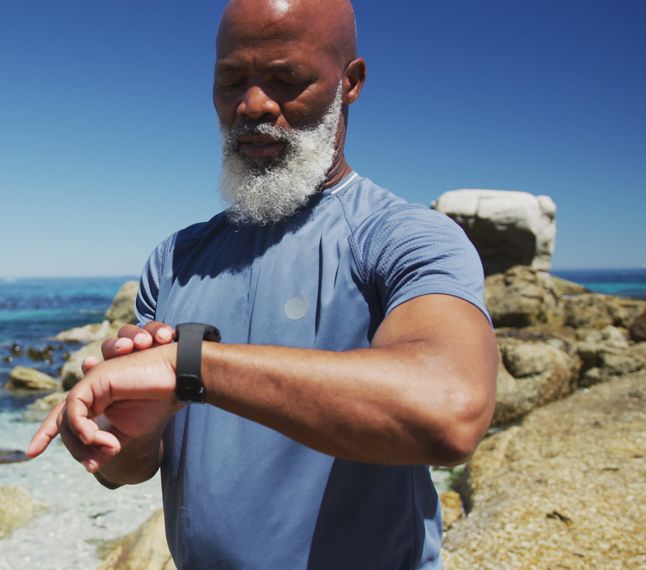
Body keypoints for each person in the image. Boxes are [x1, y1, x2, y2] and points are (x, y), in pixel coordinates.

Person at [27, 0, 497, 567]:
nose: (253, 104)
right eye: (231, 81)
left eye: (286, 79)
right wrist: (122, 436)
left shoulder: (400, 236)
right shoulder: (176, 257)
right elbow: (129, 469)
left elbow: (450, 411)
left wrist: (189, 366)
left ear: (350, 83)